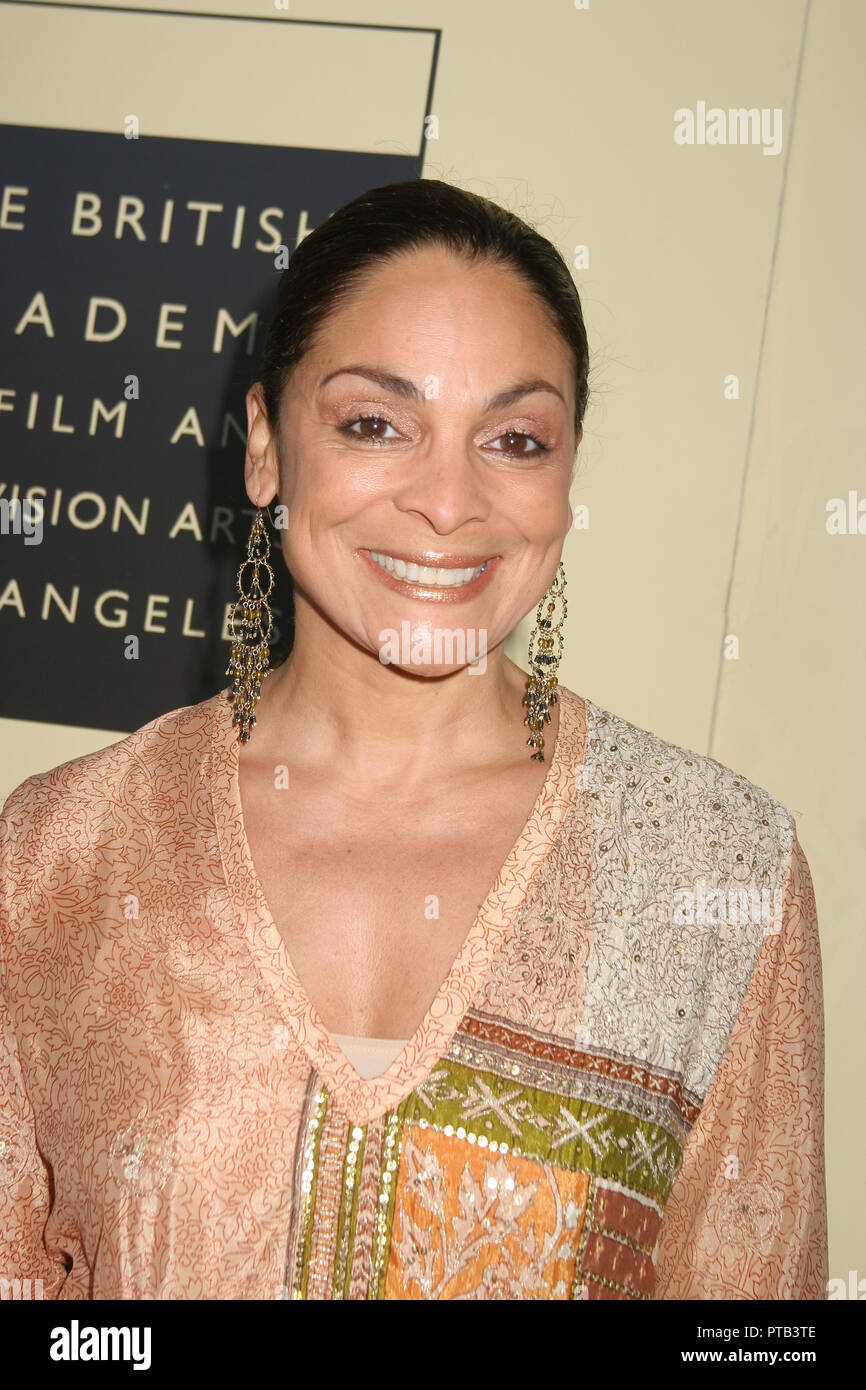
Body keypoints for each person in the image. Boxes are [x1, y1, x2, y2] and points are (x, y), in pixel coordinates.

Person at [0, 179, 827, 1300]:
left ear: (566, 475)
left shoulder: (718, 866)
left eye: (514, 438)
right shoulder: (59, 851)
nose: (448, 499)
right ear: (263, 449)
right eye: (374, 424)